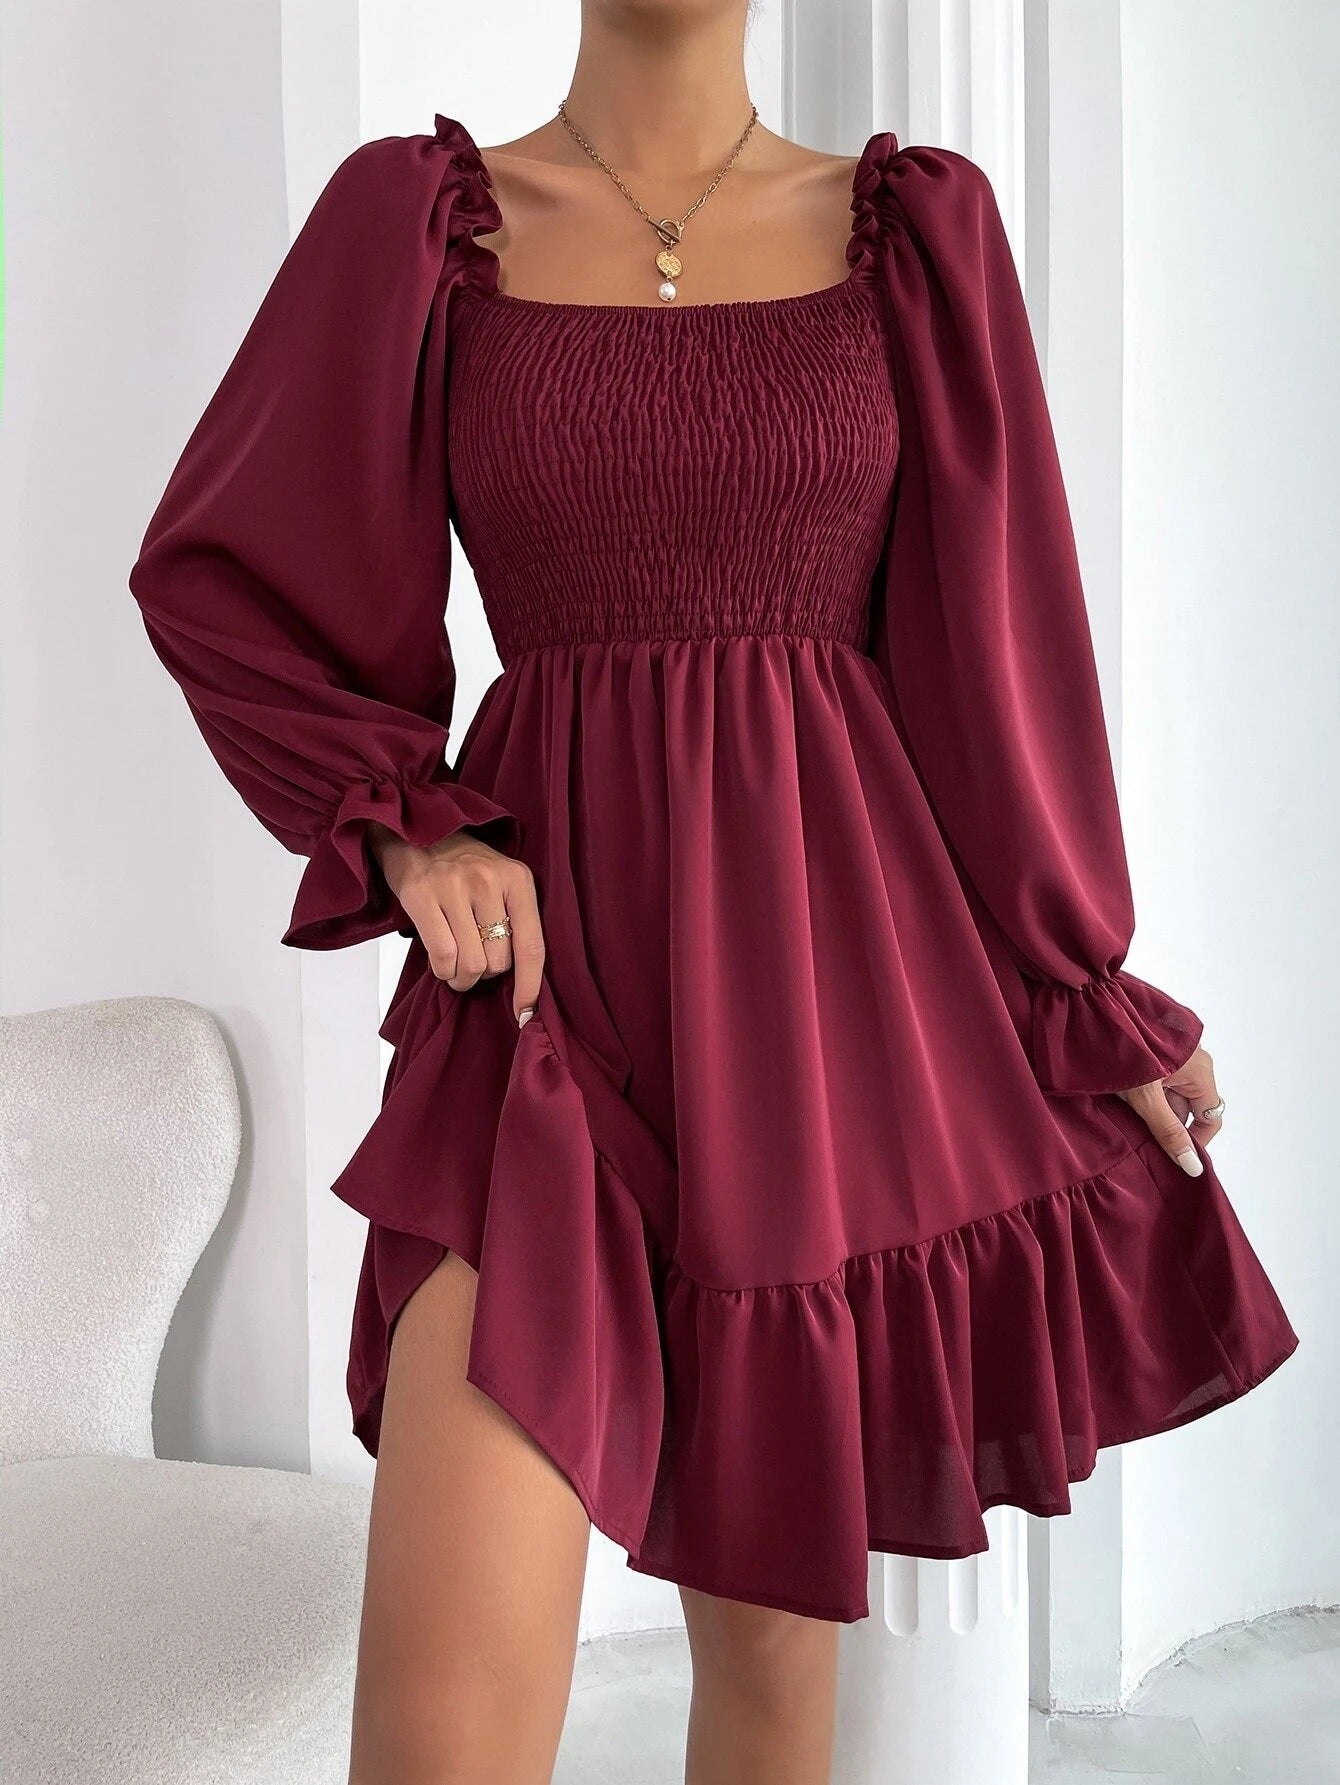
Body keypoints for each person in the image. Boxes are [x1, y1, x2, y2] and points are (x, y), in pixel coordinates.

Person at [127, 3, 1298, 1779]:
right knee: (442, 1741)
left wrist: (1084, 984)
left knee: (766, 1688)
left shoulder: (916, 240)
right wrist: (408, 829)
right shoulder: (422, 226)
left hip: (818, 1029)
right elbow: (224, 572)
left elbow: (997, 666)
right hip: (536, 1024)